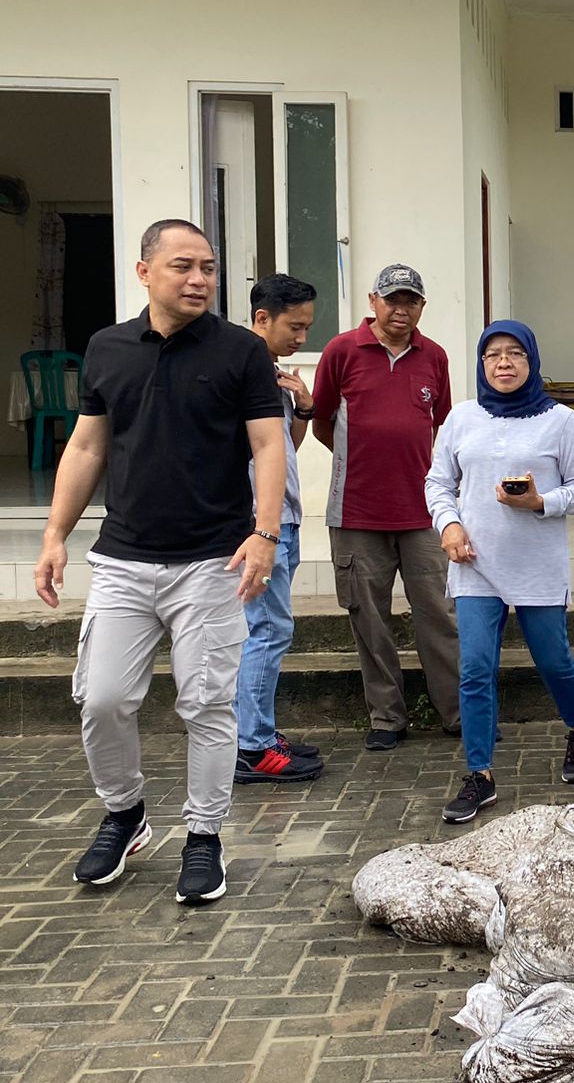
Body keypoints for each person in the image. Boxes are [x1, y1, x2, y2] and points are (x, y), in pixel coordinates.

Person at [35, 218, 286, 905]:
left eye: (208, 266)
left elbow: (268, 446)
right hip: (123, 559)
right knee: (103, 699)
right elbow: (87, 448)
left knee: (206, 705)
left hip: (214, 560)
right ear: (145, 271)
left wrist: (265, 535)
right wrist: (57, 533)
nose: (200, 278)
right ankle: (124, 815)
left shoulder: (241, 352)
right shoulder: (107, 347)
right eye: (183, 266)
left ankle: (205, 838)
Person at [426, 321, 574, 823]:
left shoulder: (560, 421)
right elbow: (438, 482)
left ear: (532, 361)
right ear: (481, 365)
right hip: (474, 563)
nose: (503, 363)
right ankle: (479, 774)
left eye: (515, 353)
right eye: (492, 355)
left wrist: (542, 501)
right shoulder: (462, 419)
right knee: (476, 667)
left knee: (554, 660)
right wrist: (450, 526)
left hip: (536, 564)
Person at [312, 264, 461, 751]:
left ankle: (457, 713)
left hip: (423, 514)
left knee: (438, 614)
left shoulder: (434, 356)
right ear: (373, 300)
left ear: (422, 307)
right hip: (356, 513)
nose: (402, 309)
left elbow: (437, 424)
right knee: (369, 620)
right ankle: (386, 718)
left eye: (412, 301)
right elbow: (322, 422)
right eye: (393, 299)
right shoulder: (340, 351)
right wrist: (365, 464)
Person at [234, 274, 324, 785]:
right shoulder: (240, 370)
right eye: (295, 326)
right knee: (266, 630)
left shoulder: (269, 371)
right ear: (263, 317)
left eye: (308, 327)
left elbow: (284, 445)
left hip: (281, 519)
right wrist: (260, 528)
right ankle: (252, 747)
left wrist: (305, 407)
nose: (302, 338)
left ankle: (257, 732)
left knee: (265, 630)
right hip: (259, 524)